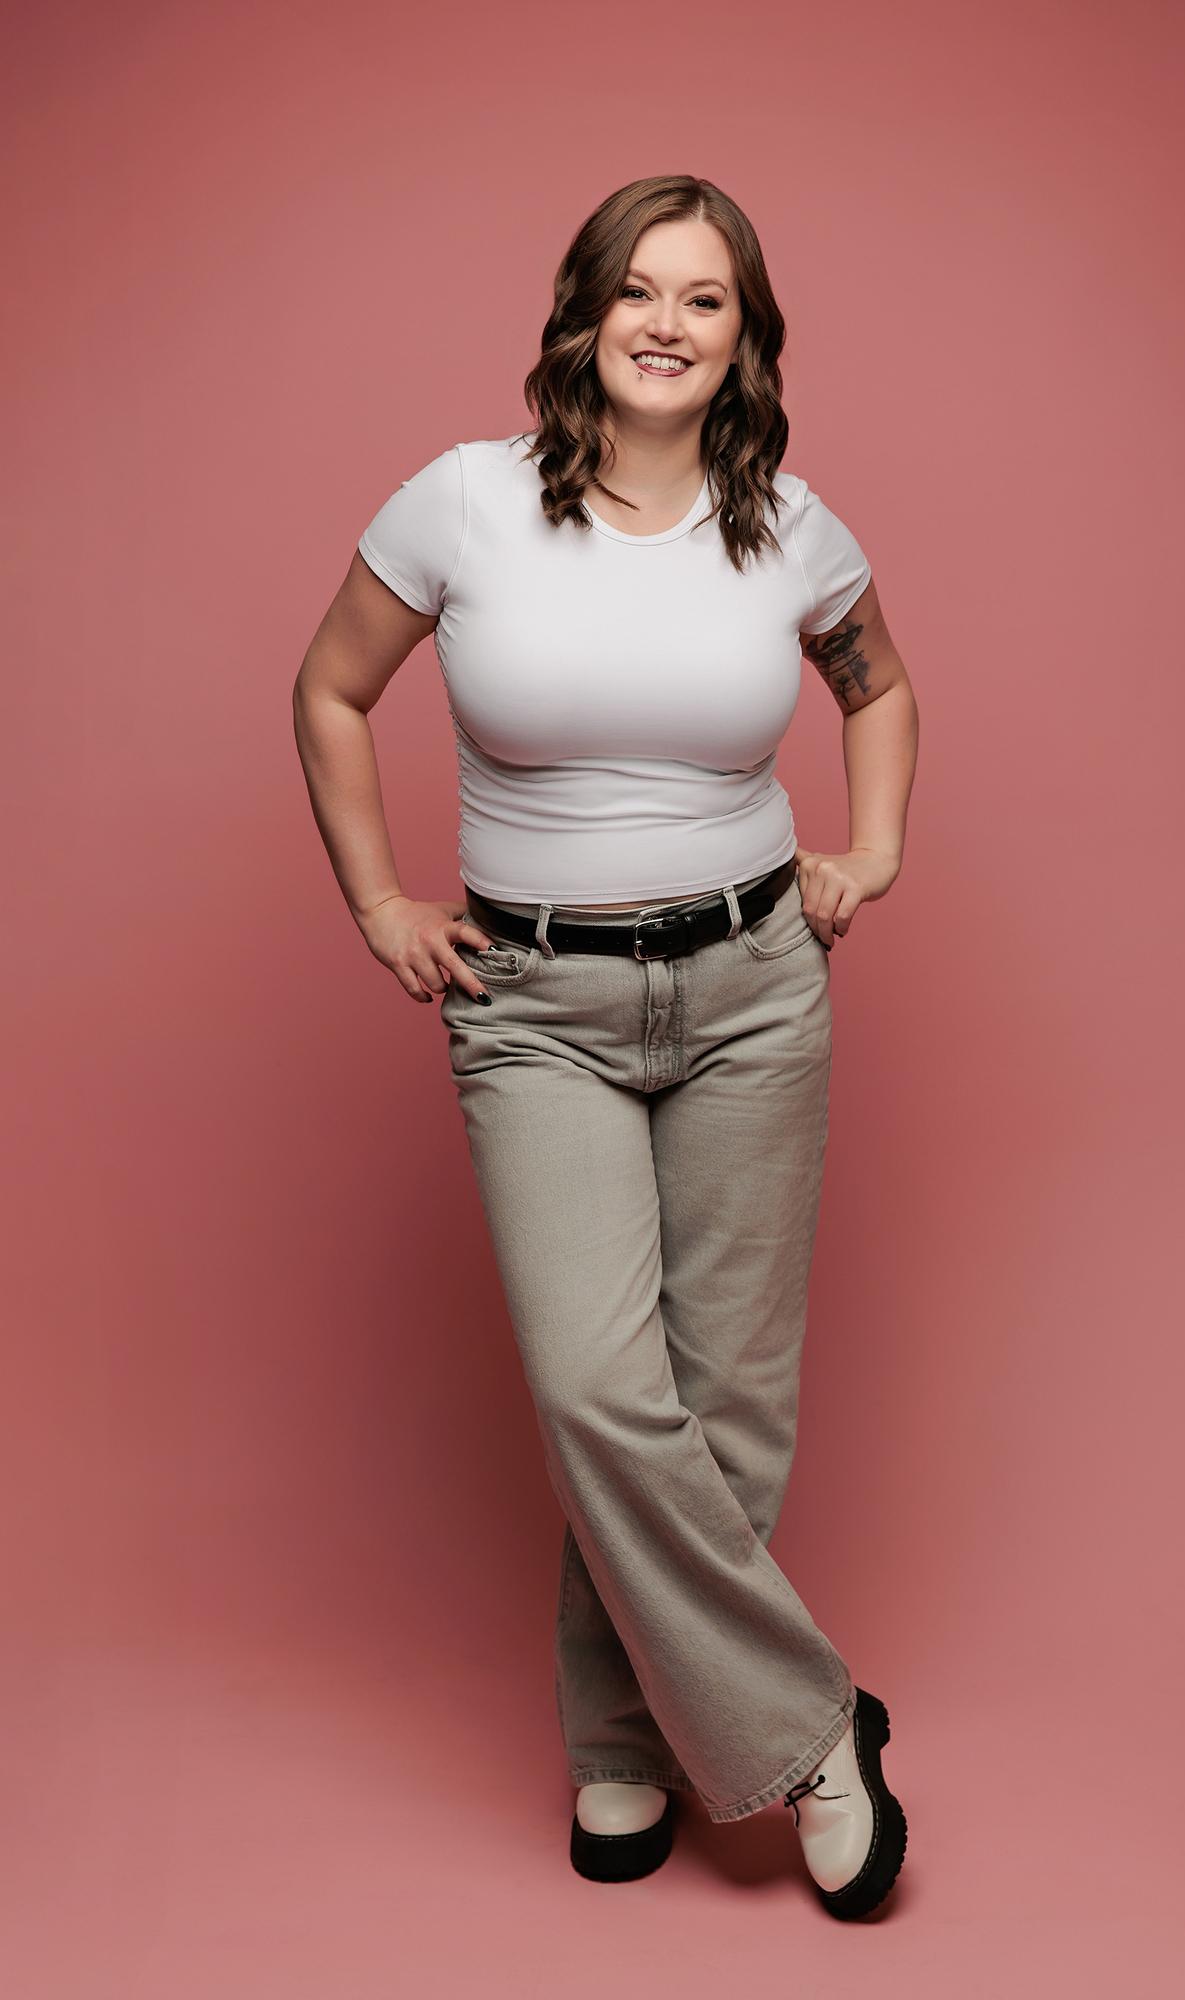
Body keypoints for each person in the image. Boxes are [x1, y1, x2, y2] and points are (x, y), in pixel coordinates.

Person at [292, 174, 919, 1921]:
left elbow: (877, 685)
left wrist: (865, 853)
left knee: (723, 1408)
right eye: (635, 290)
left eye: (703, 299)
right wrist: (377, 904)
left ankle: (621, 1740)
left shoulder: (787, 526)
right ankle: (807, 1732)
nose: (664, 322)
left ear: (743, 339)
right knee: (598, 1384)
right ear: (581, 312)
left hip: (748, 991)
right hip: (535, 1008)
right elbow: (330, 689)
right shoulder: (465, 503)